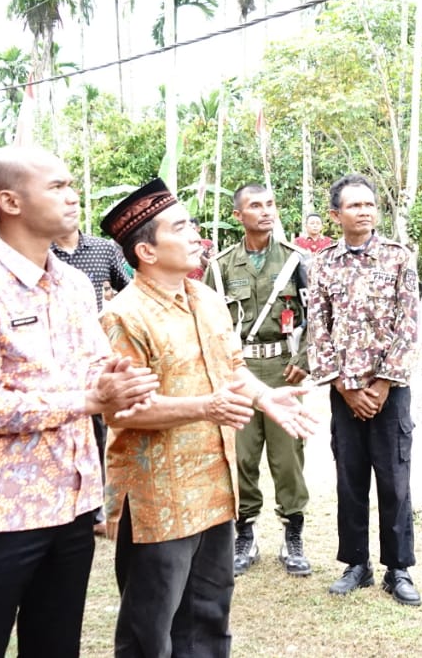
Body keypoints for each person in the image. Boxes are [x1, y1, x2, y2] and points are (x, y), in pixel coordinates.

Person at [0, 146, 159, 658]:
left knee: (55, 646)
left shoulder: (74, 284)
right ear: (10, 202)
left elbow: (94, 364)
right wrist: (89, 399)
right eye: (56, 187)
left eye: (70, 184)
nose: (72, 196)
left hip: (72, 507)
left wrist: (116, 379)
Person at [99, 178, 318, 658]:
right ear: (147, 252)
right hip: (159, 499)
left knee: (209, 618)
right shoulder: (124, 316)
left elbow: (232, 367)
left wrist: (266, 397)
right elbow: (124, 409)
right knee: (149, 629)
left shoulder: (206, 298)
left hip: (216, 488)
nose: (196, 234)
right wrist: (205, 408)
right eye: (180, 228)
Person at [308, 174, 421, 605]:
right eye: (354, 205)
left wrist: (383, 383)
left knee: (395, 481)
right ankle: (356, 564)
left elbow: (409, 325)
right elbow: (318, 329)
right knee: (350, 480)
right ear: (336, 214)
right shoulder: (322, 263)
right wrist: (344, 386)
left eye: (369, 204)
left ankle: (398, 569)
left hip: (390, 391)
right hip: (345, 393)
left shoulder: (398, 258)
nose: (365, 211)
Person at [205, 183, 312, 577]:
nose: (266, 211)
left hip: (283, 368)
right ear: (238, 215)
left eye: (270, 204)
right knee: (241, 457)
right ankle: (245, 533)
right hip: (240, 371)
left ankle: (293, 535)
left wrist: (304, 359)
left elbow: (316, 316)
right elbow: (209, 324)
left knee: (288, 458)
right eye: (255, 206)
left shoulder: (296, 260)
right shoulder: (220, 267)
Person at [51, 212, 133, 535]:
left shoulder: (104, 249)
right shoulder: (43, 254)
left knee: (100, 431)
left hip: (94, 354)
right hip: (54, 356)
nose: (67, 204)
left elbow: (130, 289)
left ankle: (98, 506)